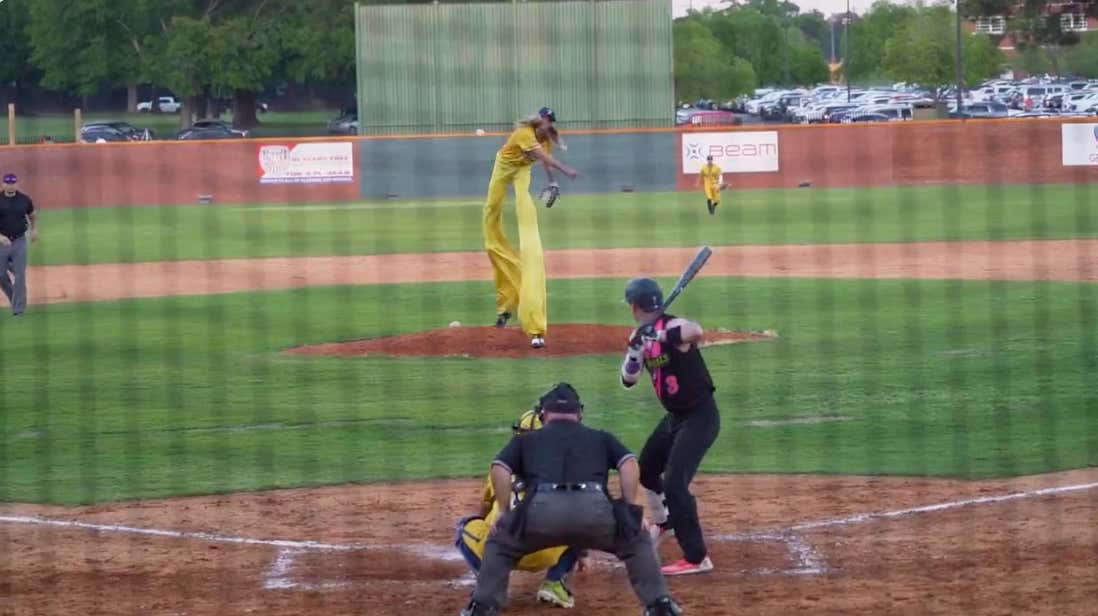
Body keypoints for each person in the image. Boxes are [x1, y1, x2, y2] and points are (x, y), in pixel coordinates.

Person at [459, 383, 683, 616]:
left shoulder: (525, 440)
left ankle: (482, 607)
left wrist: (505, 514)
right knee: (637, 541)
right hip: (594, 511)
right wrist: (628, 510)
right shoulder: (601, 437)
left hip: (541, 513)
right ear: (580, 413)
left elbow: (499, 468)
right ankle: (660, 605)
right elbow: (629, 463)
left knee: (500, 544)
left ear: (544, 414)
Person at [620, 278, 719, 576]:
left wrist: (657, 333)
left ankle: (697, 557)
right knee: (647, 469)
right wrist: (635, 351)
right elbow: (628, 380)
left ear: (635, 306)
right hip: (675, 418)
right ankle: (665, 521)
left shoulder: (673, 327)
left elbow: (696, 331)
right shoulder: (638, 335)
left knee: (675, 482)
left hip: (700, 417)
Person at [454, 406, 583, 608]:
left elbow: (484, 509)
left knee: (464, 527)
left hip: (505, 552)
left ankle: (493, 585)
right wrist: (580, 552)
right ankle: (555, 582)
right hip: (547, 552)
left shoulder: (501, 466)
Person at [483, 107, 577, 349]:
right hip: (504, 166)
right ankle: (506, 303)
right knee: (491, 210)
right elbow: (544, 158)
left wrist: (553, 182)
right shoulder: (524, 133)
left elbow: (543, 161)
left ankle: (533, 323)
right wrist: (565, 170)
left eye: (551, 121)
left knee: (525, 208)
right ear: (540, 120)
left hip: (521, 171)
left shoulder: (543, 138)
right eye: (546, 120)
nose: (548, 124)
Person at [0, 173, 37, 317]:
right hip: (2, 243)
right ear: (3, 184)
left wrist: (34, 230)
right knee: (1, 274)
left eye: (13, 182)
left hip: (19, 241)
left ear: (17, 184)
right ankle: (14, 298)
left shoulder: (24, 199)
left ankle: (18, 310)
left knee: (20, 275)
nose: (10, 185)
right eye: (8, 183)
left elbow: (32, 214)